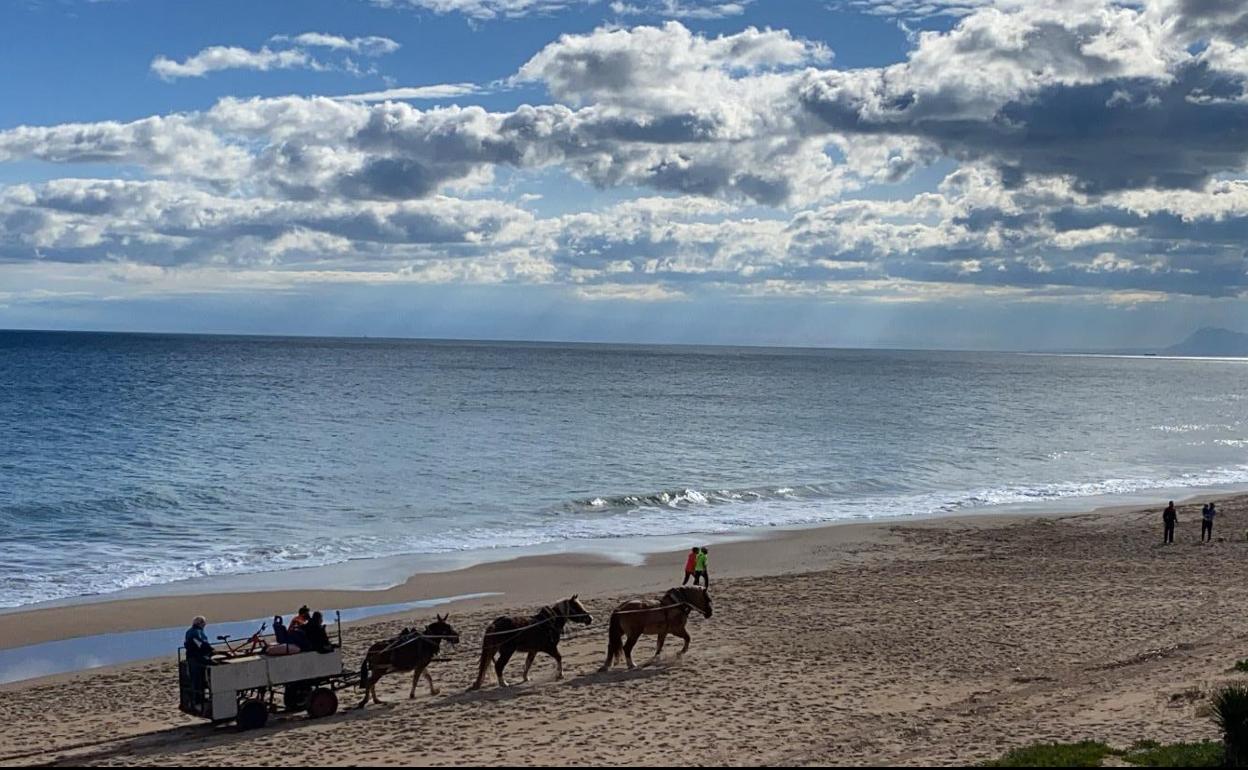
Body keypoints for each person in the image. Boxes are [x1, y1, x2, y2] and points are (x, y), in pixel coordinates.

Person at [184, 616, 214, 700]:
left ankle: (198, 697)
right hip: (197, 658)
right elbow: (202, 644)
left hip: (191, 657)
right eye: (204, 623)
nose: (205, 625)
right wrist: (211, 650)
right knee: (199, 678)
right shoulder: (197, 632)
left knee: (195, 678)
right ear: (200, 623)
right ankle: (199, 698)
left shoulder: (189, 631)